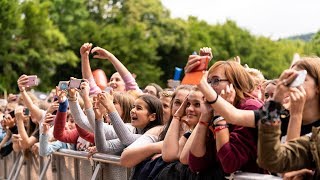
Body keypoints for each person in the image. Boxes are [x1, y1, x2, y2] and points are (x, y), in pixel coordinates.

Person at [189, 60, 264, 176]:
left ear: (234, 84)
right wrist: (204, 118)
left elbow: (230, 164)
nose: (208, 87)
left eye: (215, 81)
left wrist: (220, 117)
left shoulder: (250, 107)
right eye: (207, 82)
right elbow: (196, 164)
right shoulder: (212, 111)